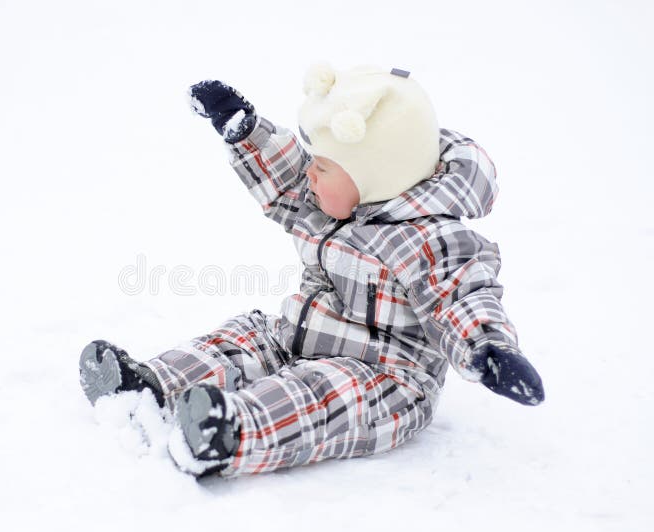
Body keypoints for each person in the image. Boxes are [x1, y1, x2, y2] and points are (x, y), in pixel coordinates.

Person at [78, 63, 545, 478]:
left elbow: (461, 297)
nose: (310, 175)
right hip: (301, 336)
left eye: (322, 166)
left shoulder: (431, 239)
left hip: (384, 378)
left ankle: (228, 431)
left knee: (317, 397)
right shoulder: (331, 202)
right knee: (246, 337)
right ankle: (150, 386)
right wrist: (246, 132)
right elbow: (288, 179)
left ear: (372, 178)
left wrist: (490, 350)